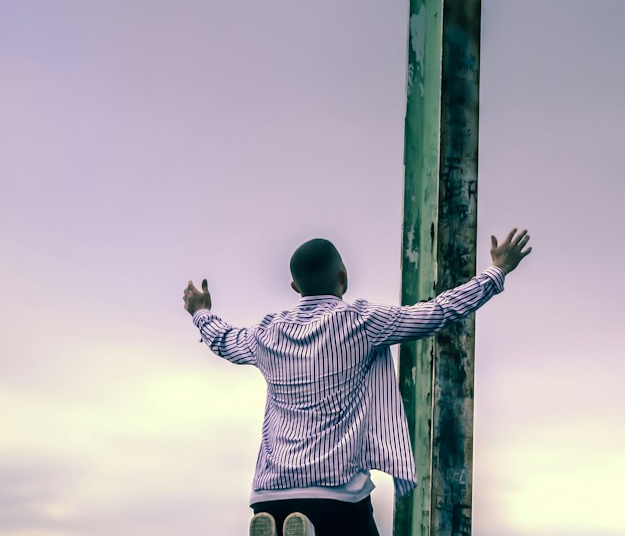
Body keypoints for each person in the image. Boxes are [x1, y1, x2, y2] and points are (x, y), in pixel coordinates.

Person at [183, 226, 532, 536]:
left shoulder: (267, 332)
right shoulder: (362, 321)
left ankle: (287, 526)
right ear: (343, 278)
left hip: (270, 494)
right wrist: (496, 271)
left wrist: (200, 312)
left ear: (295, 287)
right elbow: (437, 312)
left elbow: (224, 340)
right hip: (336, 497)